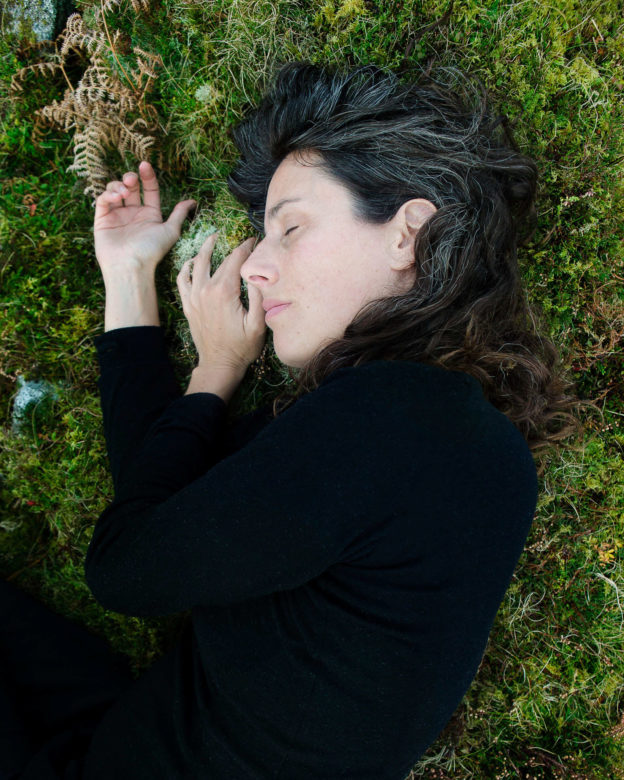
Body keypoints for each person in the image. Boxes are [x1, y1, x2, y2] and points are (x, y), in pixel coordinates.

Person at [1, 60, 579, 779]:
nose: (253, 267)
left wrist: (216, 372)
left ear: (408, 234)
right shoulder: (423, 429)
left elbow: (128, 568)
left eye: (291, 228)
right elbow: (164, 509)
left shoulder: (394, 420)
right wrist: (127, 279)